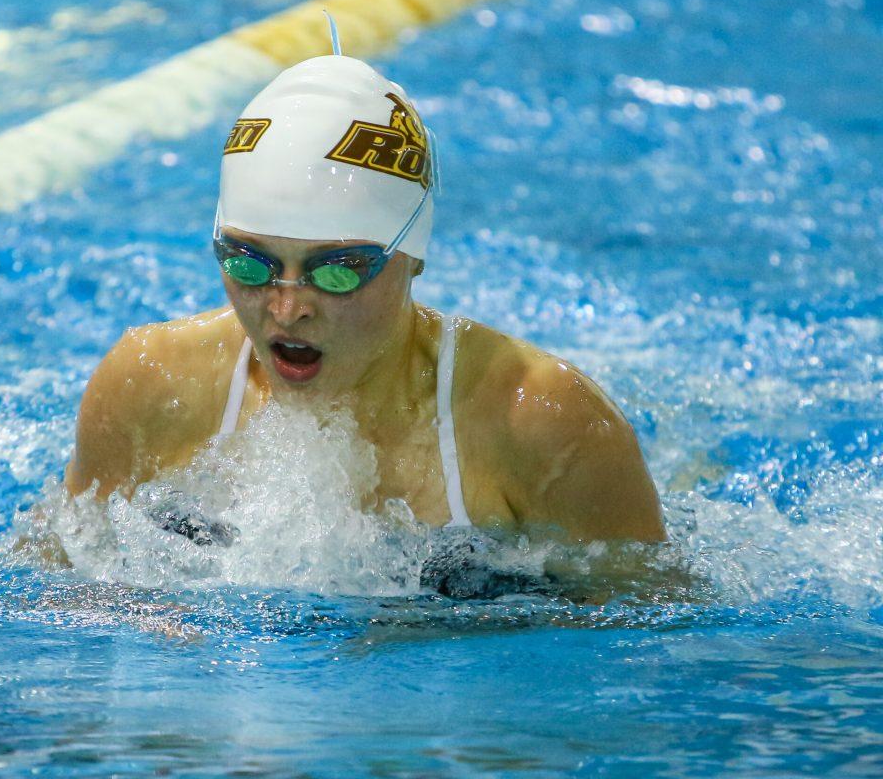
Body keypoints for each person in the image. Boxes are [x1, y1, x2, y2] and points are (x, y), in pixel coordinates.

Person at [64, 52, 666, 545]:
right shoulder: (149, 387)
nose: (286, 307)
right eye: (251, 263)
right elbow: (53, 582)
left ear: (413, 253)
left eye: (337, 270)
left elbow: (647, 649)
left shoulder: (541, 426)